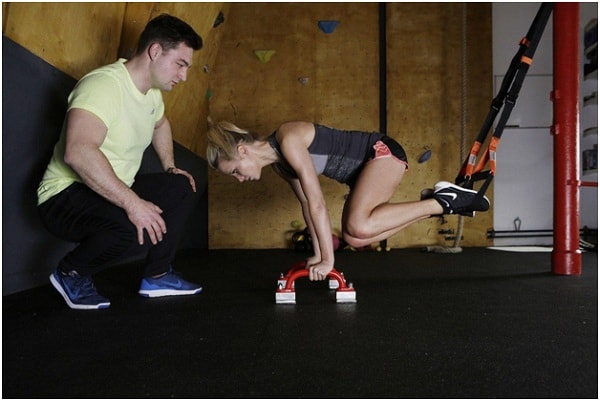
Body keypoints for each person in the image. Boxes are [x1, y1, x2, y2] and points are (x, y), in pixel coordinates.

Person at [38, 14, 204, 310]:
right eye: (181, 64)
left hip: (111, 186)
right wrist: (133, 203)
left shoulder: (152, 94)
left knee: (180, 185)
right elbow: (78, 152)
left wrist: (169, 165)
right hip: (64, 195)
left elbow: (161, 124)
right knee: (130, 224)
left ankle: (158, 275)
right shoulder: (103, 86)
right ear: (154, 51)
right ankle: (70, 273)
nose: (184, 76)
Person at [206, 119, 490, 281]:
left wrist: (329, 260)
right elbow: (307, 206)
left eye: (234, 172)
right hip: (363, 172)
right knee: (356, 238)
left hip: (380, 153)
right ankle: (435, 203)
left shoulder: (288, 138)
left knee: (359, 225)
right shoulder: (281, 165)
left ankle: (443, 201)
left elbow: (317, 201)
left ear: (242, 151)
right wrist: (318, 255)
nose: (239, 178)